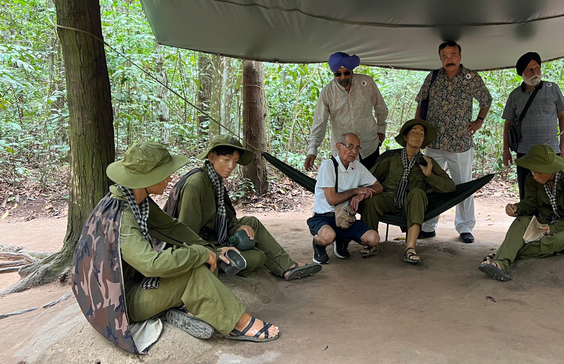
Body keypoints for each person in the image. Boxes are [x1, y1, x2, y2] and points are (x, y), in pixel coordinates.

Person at [72, 141, 279, 352]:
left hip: (132, 285)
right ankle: (238, 323)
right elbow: (150, 265)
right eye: (164, 174)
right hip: (120, 305)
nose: (170, 178)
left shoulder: (136, 200)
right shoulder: (123, 217)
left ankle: (178, 306)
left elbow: (173, 228)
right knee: (192, 272)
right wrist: (198, 253)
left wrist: (212, 250)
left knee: (196, 262)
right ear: (145, 178)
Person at [174, 135, 321, 281]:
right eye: (226, 160)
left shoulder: (216, 181)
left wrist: (238, 227)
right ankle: (212, 266)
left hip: (216, 236)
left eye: (235, 162)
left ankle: (287, 267)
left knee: (251, 222)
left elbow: (226, 216)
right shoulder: (196, 184)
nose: (231, 166)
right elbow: (186, 235)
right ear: (211, 157)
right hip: (202, 247)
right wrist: (216, 251)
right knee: (258, 257)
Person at [479, 145, 564, 282]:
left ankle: (502, 255)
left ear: (551, 169)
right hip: (544, 221)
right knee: (521, 221)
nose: (535, 176)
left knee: (556, 241)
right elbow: (530, 204)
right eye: (533, 171)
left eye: (540, 172)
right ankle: (500, 264)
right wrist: (516, 208)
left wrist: (554, 229)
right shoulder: (532, 180)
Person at [414, 40, 492, 243]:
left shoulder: (471, 78)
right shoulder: (432, 78)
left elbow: (486, 100)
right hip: (434, 143)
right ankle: (428, 225)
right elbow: (421, 105)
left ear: (460, 55)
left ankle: (465, 227)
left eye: (453, 55)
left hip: (460, 143)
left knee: (463, 185)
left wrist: (479, 121)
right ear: (440, 58)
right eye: (445, 56)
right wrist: (418, 132)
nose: (449, 60)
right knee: (431, 183)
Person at [360, 119, 455, 264]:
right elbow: (369, 179)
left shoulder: (427, 161)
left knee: (417, 193)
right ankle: (371, 243)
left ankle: (410, 248)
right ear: (405, 137)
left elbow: (450, 186)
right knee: (371, 200)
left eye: (421, 134)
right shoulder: (390, 157)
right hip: (389, 200)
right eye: (413, 132)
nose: (418, 136)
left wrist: (429, 174)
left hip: (412, 205)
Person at [305, 51, 389, 171]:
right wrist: (312, 150)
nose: (343, 77)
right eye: (338, 74)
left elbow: (380, 107)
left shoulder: (367, 83)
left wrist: (382, 129)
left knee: (371, 185)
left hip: (369, 146)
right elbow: (319, 122)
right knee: (344, 187)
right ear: (334, 73)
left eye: (346, 73)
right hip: (343, 152)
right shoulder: (327, 92)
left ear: (352, 71)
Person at [502, 51, 564, 200]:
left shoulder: (553, 88)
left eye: (537, 68)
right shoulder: (514, 95)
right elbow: (508, 124)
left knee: (554, 192)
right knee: (527, 193)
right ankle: (528, 221)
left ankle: (551, 223)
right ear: (522, 74)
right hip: (525, 153)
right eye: (530, 70)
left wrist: (563, 146)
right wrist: (506, 150)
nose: (535, 72)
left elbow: (563, 117)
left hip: (551, 152)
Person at [308, 132, 383, 263]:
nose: (353, 151)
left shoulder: (357, 167)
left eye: (357, 148)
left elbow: (378, 187)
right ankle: (318, 244)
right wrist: (356, 191)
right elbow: (332, 199)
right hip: (324, 217)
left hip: (346, 219)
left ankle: (341, 239)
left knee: (373, 239)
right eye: (349, 146)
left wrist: (362, 195)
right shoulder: (328, 166)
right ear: (338, 146)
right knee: (327, 236)